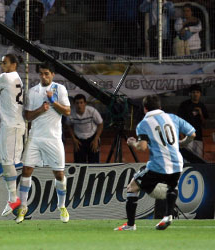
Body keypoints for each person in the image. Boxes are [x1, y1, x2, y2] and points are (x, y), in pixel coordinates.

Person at [115, 95, 196, 231]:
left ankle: (130, 225)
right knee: (171, 186)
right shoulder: (173, 118)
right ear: (160, 107)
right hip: (177, 163)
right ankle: (168, 215)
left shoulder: (144, 124)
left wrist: (132, 143)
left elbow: (142, 147)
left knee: (132, 187)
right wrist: (181, 144)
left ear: (145, 109)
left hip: (159, 165)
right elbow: (192, 134)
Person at [16, 62, 71, 224]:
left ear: (52, 74)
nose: (44, 76)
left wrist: (54, 102)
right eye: (41, 74)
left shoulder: (59, 89)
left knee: (59, 174)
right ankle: (23, 207)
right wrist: (41, 109)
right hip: (35, 137)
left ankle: (62, 206)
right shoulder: (33, 92)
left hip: (53, 138)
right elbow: (27, 116)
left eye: (47, 73)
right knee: (26, 171)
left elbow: (67, 111)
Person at [0, 53, 24, 216]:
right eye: (2, 63)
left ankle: (14, 198)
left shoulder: (5, 78)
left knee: (8, 160)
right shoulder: (17, 79)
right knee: (8, 161)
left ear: (14, 64)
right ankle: (14, 198)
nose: (3, 66)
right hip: (13, 124)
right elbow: (8, 101)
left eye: (6, 63)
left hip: (11, 126)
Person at [67, 94, 103, 163]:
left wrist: (96, 139)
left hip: (92, 138)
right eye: (77, 103)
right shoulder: (71, 114)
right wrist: (74, 139)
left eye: (81, 103)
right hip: (79, 140)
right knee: (79, 164)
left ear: (85, 103)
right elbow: (68, 125)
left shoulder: (92, 111)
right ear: (74, 104)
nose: (79, 105)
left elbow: (100, 124)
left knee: (94, 164)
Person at [177, 85, 208, 159]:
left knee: (198, 159)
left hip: (198, 137)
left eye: (197, 92)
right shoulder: (184, 105)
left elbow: (204, 124)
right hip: (186, 137)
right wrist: (182, 136)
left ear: (200, 94)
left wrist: (200, 113)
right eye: (193, 92)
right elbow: (179, 121)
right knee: (187, 159)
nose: (195, 94)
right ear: (190, 94)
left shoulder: (202, 106)